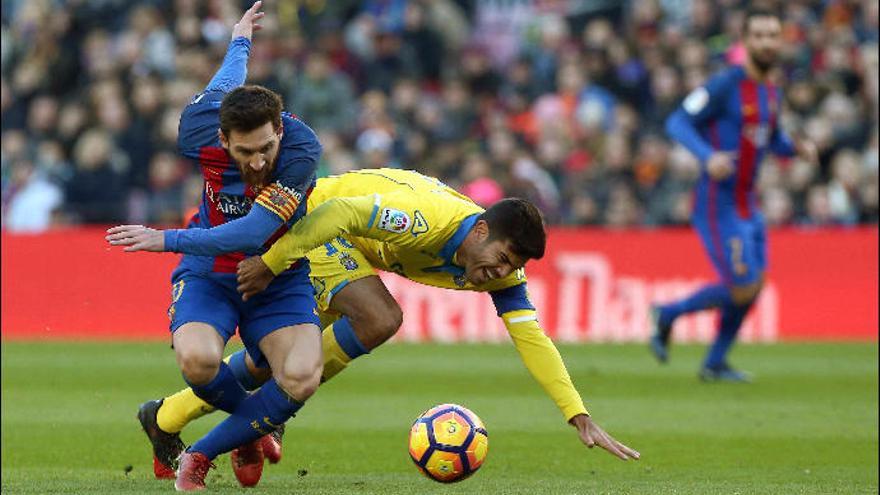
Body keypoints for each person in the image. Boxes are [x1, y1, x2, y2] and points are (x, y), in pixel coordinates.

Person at [140, 168, 640, 486]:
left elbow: (533, 338)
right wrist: (272, 262)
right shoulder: (425, 220)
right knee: (380, 317)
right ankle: (243, 429)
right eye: (501, 259)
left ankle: (165, 417)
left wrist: (576, 413)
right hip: (313, 223)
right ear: (481, 231)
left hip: (351, 246)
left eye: (512, 267)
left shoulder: (500, 270)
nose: (500, 274)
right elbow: (339, 213)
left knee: (279, 360)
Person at [106, 2, 325, 490]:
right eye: (244, 152)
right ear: (222, 139)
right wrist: (239, 40)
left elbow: (251, 232)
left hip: (276, 271)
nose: (257, 161)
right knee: (198, 361)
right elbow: (227, 80)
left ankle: (223, 436)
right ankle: (248, 431)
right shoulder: (197, 127)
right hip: (211, 271)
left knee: (303, 376)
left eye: (266, 147)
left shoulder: (300, 151)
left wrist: (165, 239)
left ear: (280, 131)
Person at [651, 7, 818, 381]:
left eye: (772, 35)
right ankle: (668, 313)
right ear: (745, 42)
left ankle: (715, 362)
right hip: (717, 202)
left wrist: (797, 148)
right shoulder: (724, 84)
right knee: (742, 286)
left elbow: (771, 139)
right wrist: (707, 156)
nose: (766, 42)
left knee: (754, 285)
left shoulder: (771, 90)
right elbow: (677, 121)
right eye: (758, 35)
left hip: (749, 203)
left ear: (781, 40)